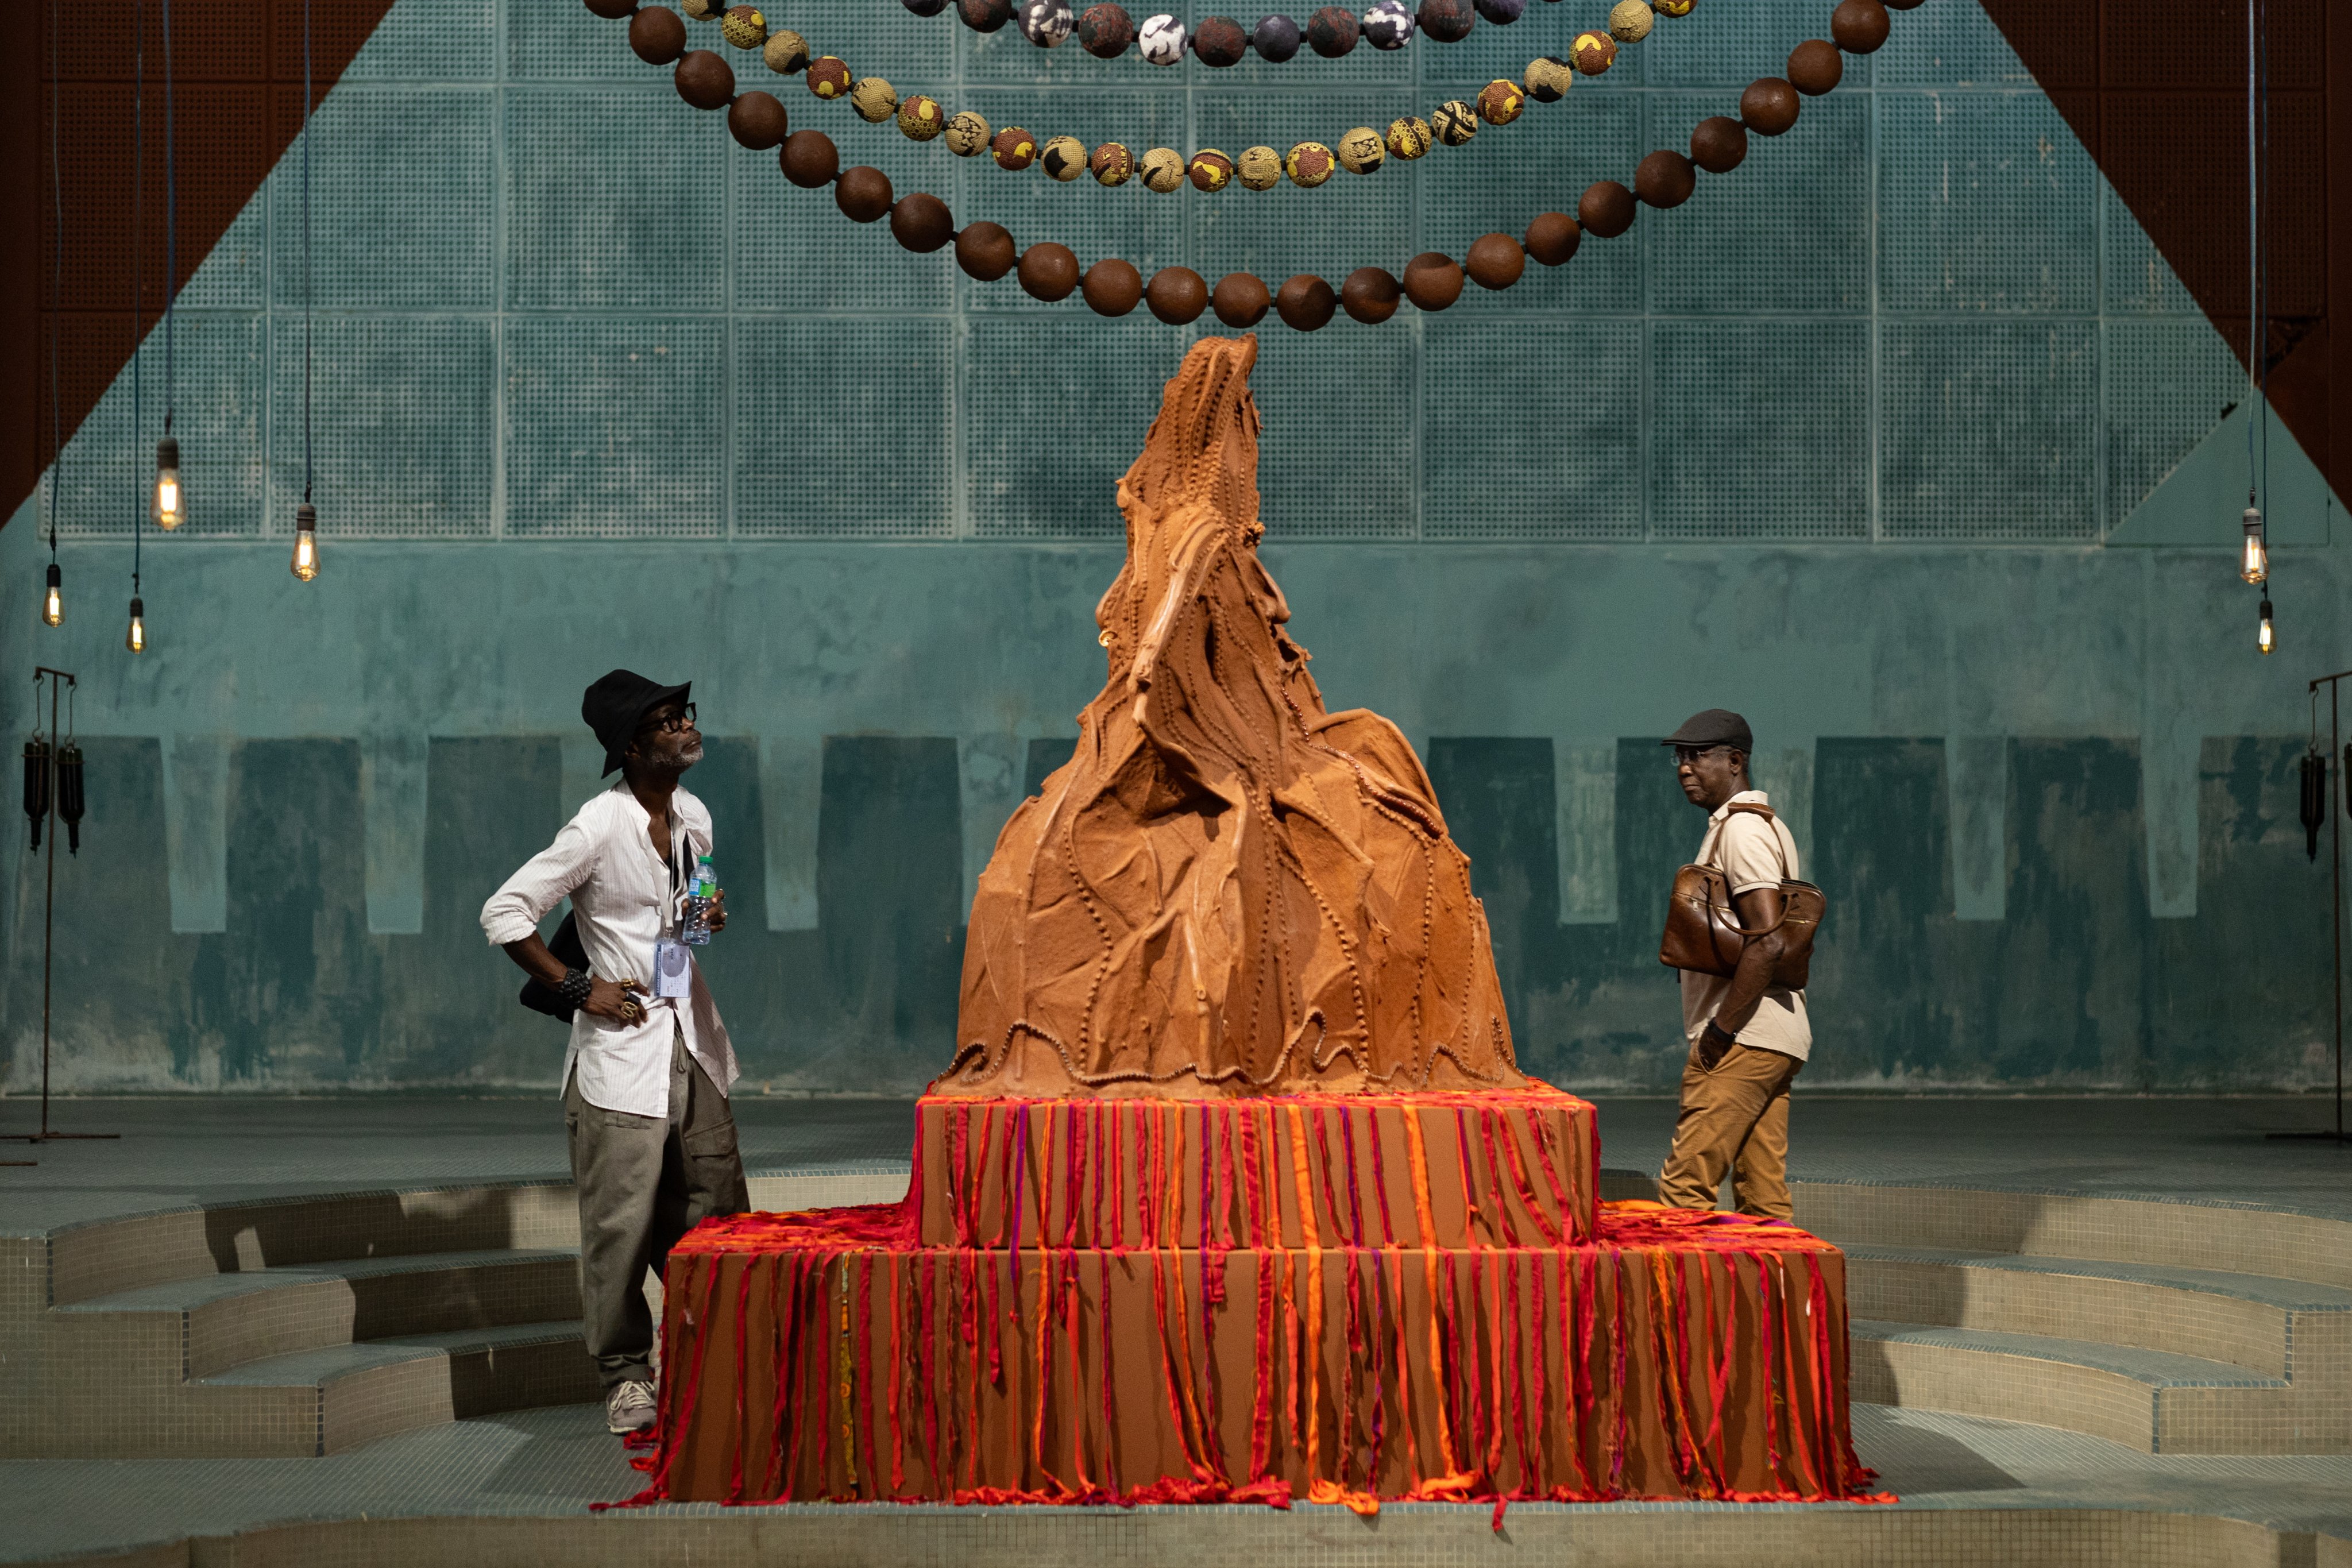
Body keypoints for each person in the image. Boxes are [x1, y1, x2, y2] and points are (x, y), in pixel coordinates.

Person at [480, 670, 749, 1436]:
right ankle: (627, 1377)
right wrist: (578, 987)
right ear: (632, 746)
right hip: (618, 1057)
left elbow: (686, 931)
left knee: (716, 1211)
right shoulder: (597, 826)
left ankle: (712, 1358)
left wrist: (703, 915)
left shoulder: (694, 815)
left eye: (683, 715)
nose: (684, 728)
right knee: (620, 1227)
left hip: (692, 1040)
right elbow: (504, 910)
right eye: (664, 723)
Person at [1655, 708, 1811, 1221]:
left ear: (1735, 760)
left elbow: (1766, 942)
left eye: (1697, 755)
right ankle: (1783, 1302)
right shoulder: (1763, 827)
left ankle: (1681, 1304)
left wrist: (1720, 1033)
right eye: (1680, 757)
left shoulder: (1742, 831)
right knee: (1762, 1203)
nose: (1683, 767)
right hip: (1773, 1036)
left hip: (1743, 1037)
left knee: (1684, 1193)